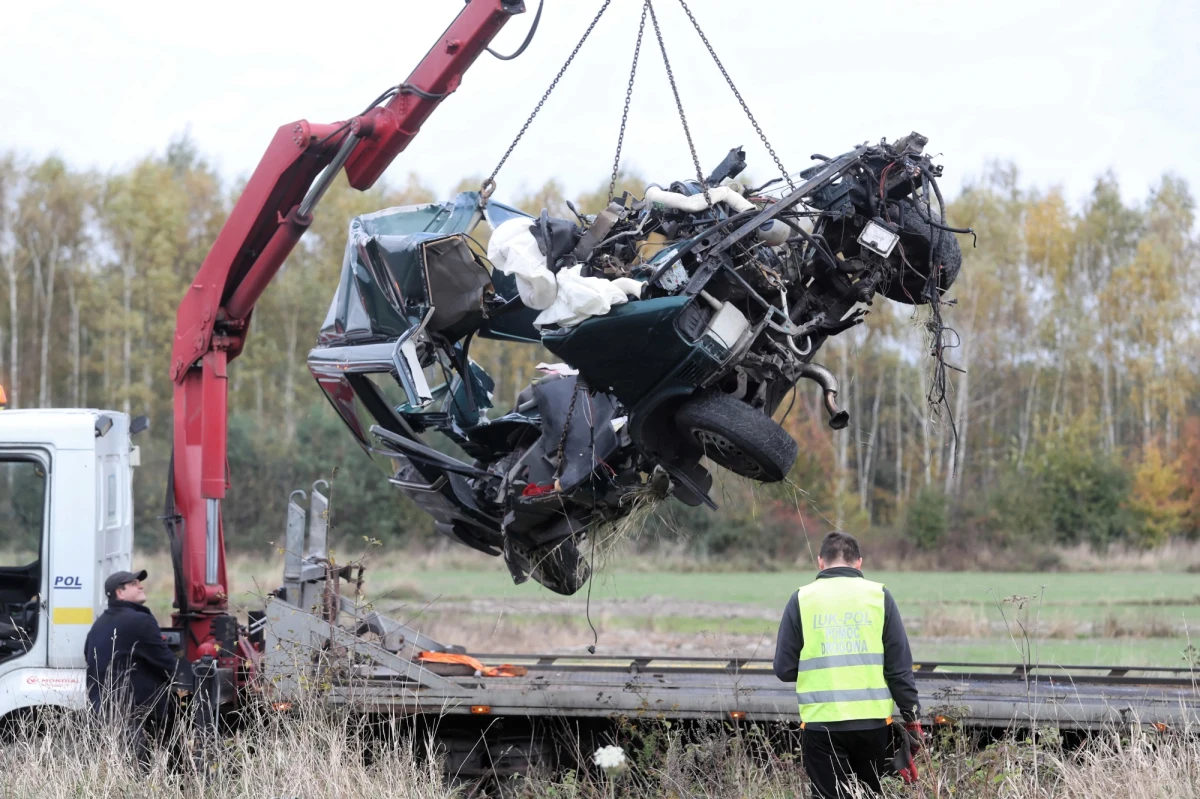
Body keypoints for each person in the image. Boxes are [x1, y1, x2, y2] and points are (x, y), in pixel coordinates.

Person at [773, 532, 923, 798]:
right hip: (874, 726)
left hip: (822, 725)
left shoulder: (801, 599)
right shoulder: (879, 596)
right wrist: (912, 718)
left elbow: (784, 669)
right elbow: (899, 669)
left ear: (820, 561)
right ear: (859, 563)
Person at [84, 569, 182, 765]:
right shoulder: (140, 620)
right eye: (134, 584)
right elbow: (167, 664)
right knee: (144, 768)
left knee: (122, 769)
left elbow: (89, 656)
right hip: (137, 711)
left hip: (103, 708)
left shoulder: (99, 624)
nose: (141, 586)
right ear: (120, 593)